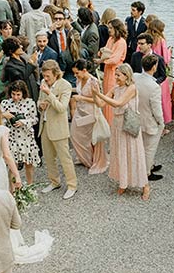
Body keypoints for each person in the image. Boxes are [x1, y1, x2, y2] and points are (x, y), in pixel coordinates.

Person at [92, 64, 150, 200]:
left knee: (134, 154)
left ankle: (145, 185)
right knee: (121, 153)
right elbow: (100, 104)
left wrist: (98, 93)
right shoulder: (115, 88)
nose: (116, 77)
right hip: (117, 125)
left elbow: (118, 103)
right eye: (115, 75)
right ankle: (123, 182)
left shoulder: (132, 88)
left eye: (118, 75)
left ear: (126, 75)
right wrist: (94, 94)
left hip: (129, 125)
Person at [38, 60, 77, 199]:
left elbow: (61, 108)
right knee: (49, 158)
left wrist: (49, 93)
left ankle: (72, 185)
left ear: (56, 73)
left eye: (48, 76)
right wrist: (40, 105)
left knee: (64, 158)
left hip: (59, 127)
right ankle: (55, 181)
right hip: (45, 126)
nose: (46, 79)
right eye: (44, 76)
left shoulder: (65, 85)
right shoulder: (43, 82)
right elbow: (39, 100)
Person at [69, 59, 108, 174]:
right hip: (80, 110)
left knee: (92, 138)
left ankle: (95, 160)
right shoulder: (79, 79)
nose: (75, 75)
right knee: (75, 134)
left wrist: (81, 98)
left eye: (77, 73)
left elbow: (99, 100)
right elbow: (79, 90)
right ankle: (85, 158)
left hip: (91, 112)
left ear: (84, 70)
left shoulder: (93, 81)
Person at [1, 81, 40, 185]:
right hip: (12, 138)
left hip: (26, 137)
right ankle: (13, 190)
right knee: (13, 166)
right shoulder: (5, 103)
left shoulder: (30, 103)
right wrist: (5, 116)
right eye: (13, 94)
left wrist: (24, 122)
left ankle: (30, 186)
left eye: (18, 94)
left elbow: (35, 119)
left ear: (23, 93)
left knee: (29, 164)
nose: (15, 97)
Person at [134, 54, 164, 181]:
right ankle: (146, 173)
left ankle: (149, 165)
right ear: (153, 67)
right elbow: (156, 109)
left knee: (141, 146)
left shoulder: (135, 77)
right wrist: (161, 122)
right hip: (150, 121)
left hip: (137, 117)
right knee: (149, 149)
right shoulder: (154, 87)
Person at [95, 18, 128, 125]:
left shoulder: (121, 42)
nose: (109, 30)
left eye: (110, 28)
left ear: (116, 29)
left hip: (115, 71)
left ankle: (111, 122)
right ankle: (106, 120)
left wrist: (102, 60)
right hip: (107, 70)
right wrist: (102, 54)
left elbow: (115, 59)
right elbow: (105, 51)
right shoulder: (110, 39)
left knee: (111, 95)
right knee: (105, 93)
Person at [147, 18, 172, 123]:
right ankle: (162, 121)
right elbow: (166, 59)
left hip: (148, 70)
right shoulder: (161, 40)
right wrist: (169, 51)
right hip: (159, 71)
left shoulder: (147, 39)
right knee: (163, 99)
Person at [1, 37, 39, 102]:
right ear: (11, 50)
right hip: (21, 99)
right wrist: (31, 62)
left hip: (33, 93)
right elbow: (21, 77)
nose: (21, 46)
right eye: (18, 46)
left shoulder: (23, 59)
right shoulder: (10, 66)